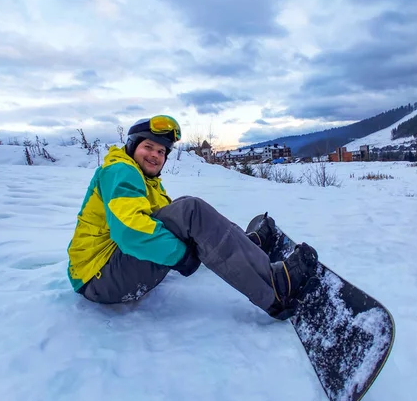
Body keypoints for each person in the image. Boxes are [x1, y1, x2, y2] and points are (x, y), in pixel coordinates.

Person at [67, 115, 318, 320]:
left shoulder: (147, 182)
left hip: (108, 276)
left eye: (161, 151)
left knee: (184, 213)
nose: (155, 155)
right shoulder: (121, 170)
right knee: (190, 211)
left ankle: (247, 247)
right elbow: (130, 232)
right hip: (100, 278)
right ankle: (275, 288)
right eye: (148, 147)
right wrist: (181, 256)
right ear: (132, 146)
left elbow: (178, 229)